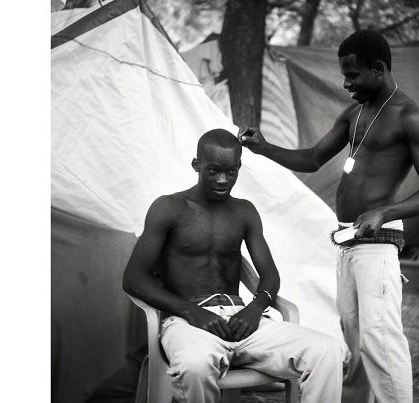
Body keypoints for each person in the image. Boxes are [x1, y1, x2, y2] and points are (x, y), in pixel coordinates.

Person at [238, 30, 419, 403]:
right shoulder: (354, 113)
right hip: (348, 240)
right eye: (344, 75)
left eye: (353, 75)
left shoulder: (410, 117)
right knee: (356, 338)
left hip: (378, 244)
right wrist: (263, 148)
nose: (346, 83)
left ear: (379, 69)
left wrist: (385, 211)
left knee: (381, 341)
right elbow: (313, 158)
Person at [122, 128, 344, 403]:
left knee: (327, 350)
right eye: (213, 170)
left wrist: (255, 309)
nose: (223, 180)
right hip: (188, 322)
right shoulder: (168, 208)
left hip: (243, 320)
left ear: (239, 167)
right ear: (196, 165)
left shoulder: (244, 212)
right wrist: (191, 312)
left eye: (231, 171)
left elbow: (269, 274)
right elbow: (133, 278)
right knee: (194, 364)